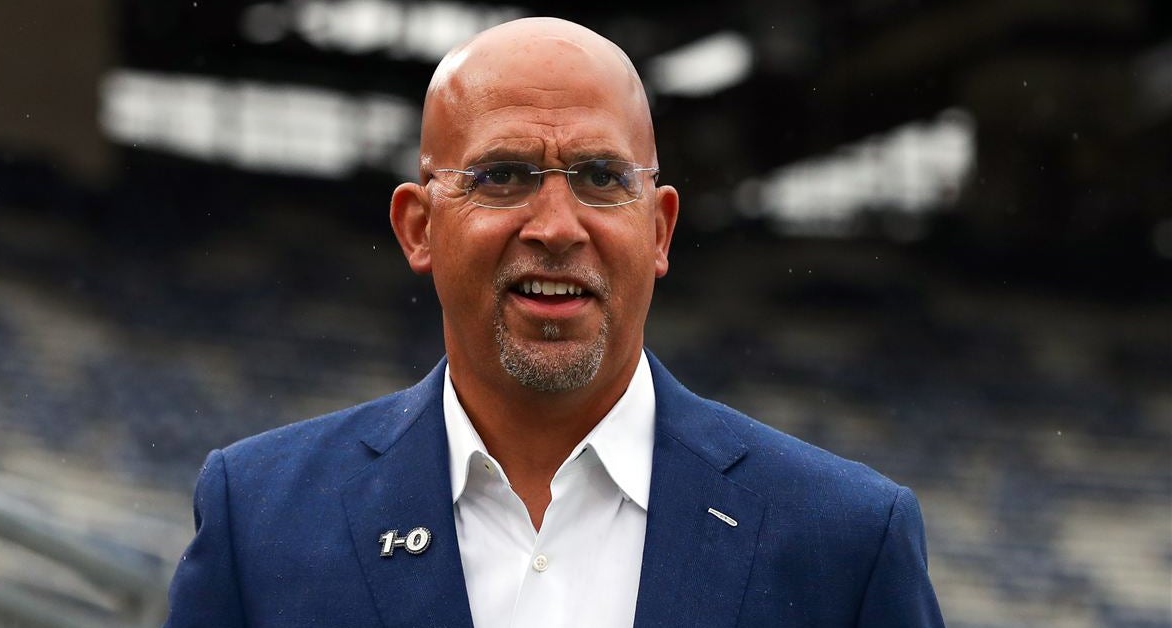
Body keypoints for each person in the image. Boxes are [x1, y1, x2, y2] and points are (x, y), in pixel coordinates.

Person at [165, 17, 944, 627]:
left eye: (602, 178)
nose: (558, 225)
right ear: (419, 228)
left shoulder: (845, 541)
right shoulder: (261, 518)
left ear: (660, 230)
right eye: (504, 176)